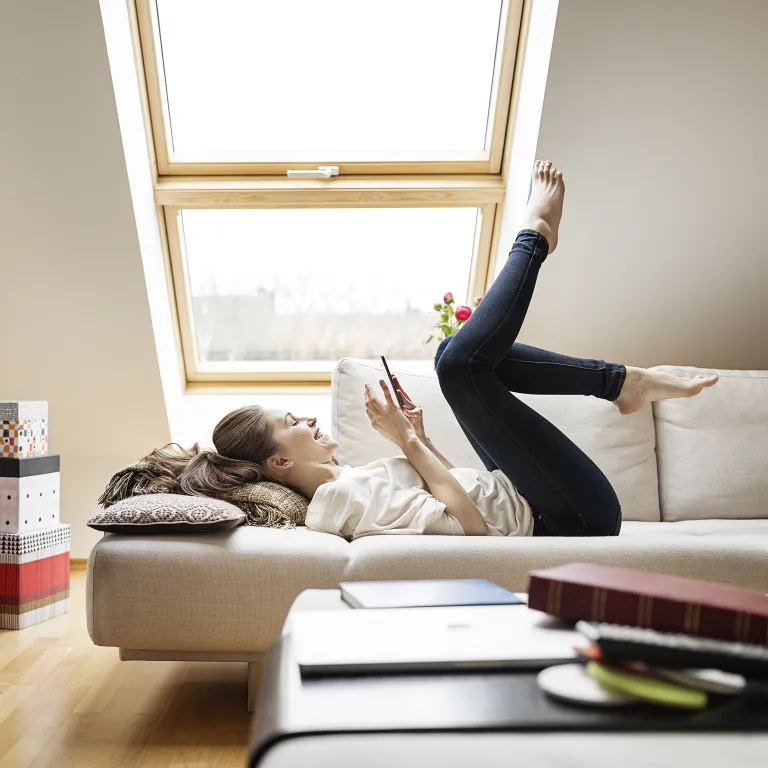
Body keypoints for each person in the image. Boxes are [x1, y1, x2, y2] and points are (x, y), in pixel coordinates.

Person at [171, 161, 719, 539]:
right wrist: (408, 441)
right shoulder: (333, 504)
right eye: (291, 419)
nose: (308, 416)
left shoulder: (348, 480)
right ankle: (535, 239)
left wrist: (420, 435)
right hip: (567, 517)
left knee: (455, 359)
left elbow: (449, 491)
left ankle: (622, 383)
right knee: (459, 363)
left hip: (530, 495)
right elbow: (470, 529)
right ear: (280, 460)